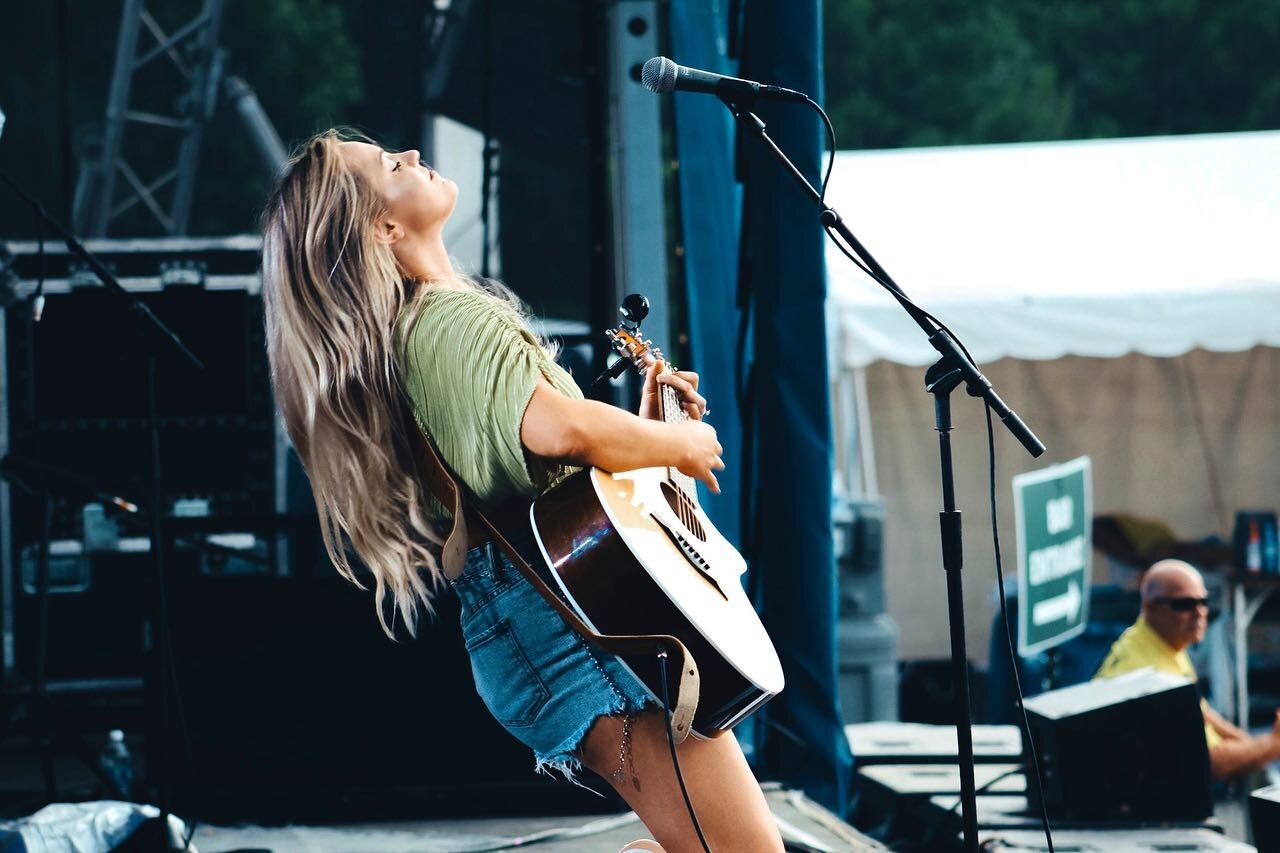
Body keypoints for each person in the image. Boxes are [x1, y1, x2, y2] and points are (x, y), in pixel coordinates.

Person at [259, 128, 784, 852]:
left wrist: (637, 429)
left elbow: (555, 488)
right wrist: (677, 442)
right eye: (389, 165)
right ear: (382, 226)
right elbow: (560, 432)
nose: (409, 154)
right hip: (587, 631)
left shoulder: (415, 332)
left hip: (548, 623)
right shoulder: (450, 319)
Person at [1094, 558, 1280, 780]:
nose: (1199, 612)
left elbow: (1204, 714)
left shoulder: (1161, 640)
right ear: (1149, 607)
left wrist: (1257, 746)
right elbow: (1208, 762)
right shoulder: (1149, 676)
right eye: (1184, 605)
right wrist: (1271, 744)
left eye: (1203, 601)